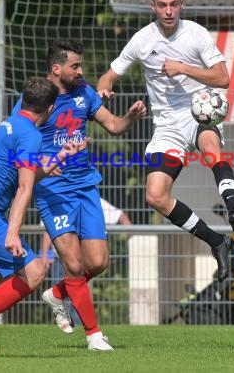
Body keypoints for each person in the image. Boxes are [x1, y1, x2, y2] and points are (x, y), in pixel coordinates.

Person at [96, 0, 234, 282]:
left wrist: (184, 67)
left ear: (181, 4)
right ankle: (217, 241)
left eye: (173, 4)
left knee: (210, 150)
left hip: (199, 110)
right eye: (162, 5)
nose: (168, 11)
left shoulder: (196, 34)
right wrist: (104, 90)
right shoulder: (141, 40)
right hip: (166, 125)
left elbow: (223, 77)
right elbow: (108, 76)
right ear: (153, 7)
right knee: (155, 195)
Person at [11, 39, 146, 351]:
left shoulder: (84, 92)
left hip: (86, 187)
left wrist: (130, 118)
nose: (81, 71)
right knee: (73, 264)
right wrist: (41, 165)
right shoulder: (35, 99)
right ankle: (94, 335)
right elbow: (18, 138)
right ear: (56, 69)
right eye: (75, 66)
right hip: (52, 191)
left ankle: (57, 294)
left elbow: (112, 125)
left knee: (97, 262)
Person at [0, 77, 89, 358]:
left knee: (2, 282)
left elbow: (26, 175)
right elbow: (25, 187)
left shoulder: (12, 124)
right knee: (35, 272)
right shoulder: (31, 135)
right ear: (50, 108)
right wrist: (13, 233)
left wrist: (61, 154)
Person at [40, 198, 132, 324]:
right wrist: (45, 255)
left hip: (82, 260)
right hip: (59, 259)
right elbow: (47, 230)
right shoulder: (58, 198)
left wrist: (132, 234)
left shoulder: (91, 197)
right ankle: (73, 323)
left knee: (79, 294)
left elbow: (120, 215)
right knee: (67, 299)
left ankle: (80, 325)